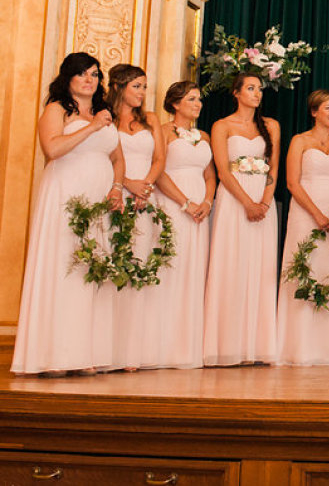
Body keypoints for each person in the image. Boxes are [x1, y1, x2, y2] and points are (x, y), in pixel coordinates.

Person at [12, 53, 123, 375]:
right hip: (65, 194)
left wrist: (116, 188)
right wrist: (90, 128)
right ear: (68, 78)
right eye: (83, 74)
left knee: (91, 270)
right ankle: (54, 355)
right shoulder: (57, 108)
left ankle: (84, 353)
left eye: (95, 74)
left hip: (98, 198)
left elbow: (117, 157)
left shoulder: (103, 112)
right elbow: (53, 149)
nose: (90, 80)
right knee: (63, 266)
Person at [205, 71, 281, 366]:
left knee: (260, 268)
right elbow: (223, 170)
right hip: (234, 198)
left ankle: (257, 345)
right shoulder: (222, 125)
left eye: (259, 89)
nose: (257, 93)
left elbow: (273, 167)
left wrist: (263, 201)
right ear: (236, 93)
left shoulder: (271, 126)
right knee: (231, 264)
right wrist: (247, 203)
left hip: (263, 198)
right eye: (250, 88)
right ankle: (227, 346)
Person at [277, 90, 329, 365]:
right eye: (328, 108)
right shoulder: (300, 141)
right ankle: (299, 348)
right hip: (306, 212)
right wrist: (318, 215)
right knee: (305, 269)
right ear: (314, 112)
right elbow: (292, 183)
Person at [151, 80, 216, 369]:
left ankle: (187, 346)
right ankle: (161, 345)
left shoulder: (204, 135)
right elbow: (159, 171)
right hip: (174, 204)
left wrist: (207, 202)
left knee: (194, 270)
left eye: (199, 99)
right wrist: (185, 203)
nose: (198, 104)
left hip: (201, 211)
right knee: (171, 268)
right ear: (175, 104)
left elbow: (210, 174)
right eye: (191, 99)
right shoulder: (164, 132)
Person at [108, 63, 167, 371]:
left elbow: (159, 158)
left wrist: (144, 186)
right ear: (118, 86)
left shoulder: (151, 119)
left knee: (140, 266)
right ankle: (110, 347)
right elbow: (104, 156)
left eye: (145, 87)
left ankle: (135, 349)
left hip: (145, 197)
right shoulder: (104, 119)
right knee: (114, 265)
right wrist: (125, 184)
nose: (143, 93)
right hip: (116, 194)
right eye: (137, 86)